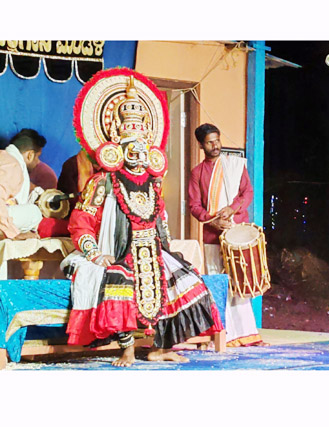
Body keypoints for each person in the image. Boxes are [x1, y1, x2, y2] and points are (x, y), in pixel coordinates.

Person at [62, 69, 223, 367]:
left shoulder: (152, 183)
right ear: (117, 149)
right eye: (131, 149)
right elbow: (81, 221)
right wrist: (95, 254)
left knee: (187, 280)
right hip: (118, 251)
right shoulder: (103, 182)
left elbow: (161, 219)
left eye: (141, 148)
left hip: (153, 249)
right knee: (119, 280)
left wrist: (168, 250)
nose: (137, 154)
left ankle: (160, 348)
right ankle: (126, 350)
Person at [189, 123, 266, 347]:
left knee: (239, 283)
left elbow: (247, 192)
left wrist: (232, 209)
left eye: (217, 140)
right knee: (217, 284)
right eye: (209, 142)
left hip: (235, 234)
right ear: (201, 145)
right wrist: (213, 221)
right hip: (213, 236)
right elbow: (194, 206)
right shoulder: (197, 173)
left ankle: (247, 335)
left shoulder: (234, 165)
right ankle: (220, 334)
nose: (215, 145)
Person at [0, 128, 46, 241]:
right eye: (37, 157)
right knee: (34, 213)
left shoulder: (5, 158)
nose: (38, 162)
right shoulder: (12, 165)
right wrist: (14, 234)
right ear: (30, 155)